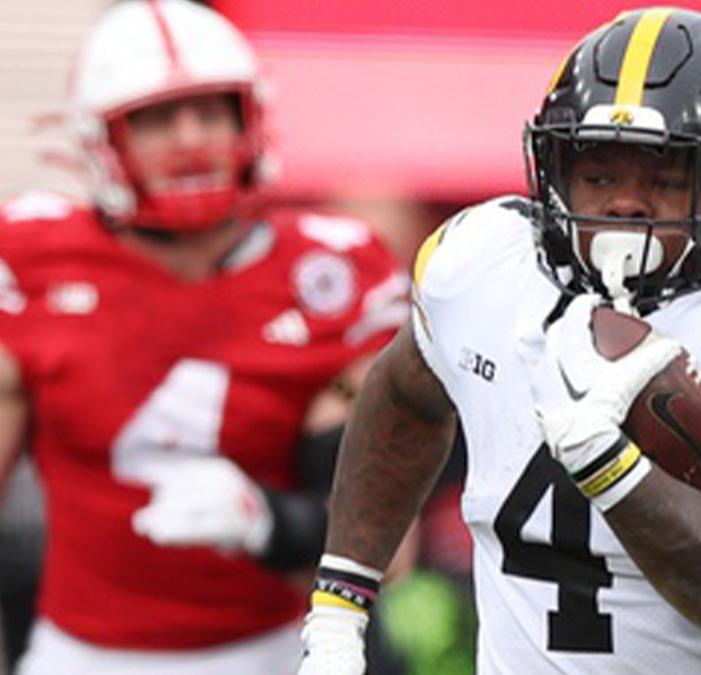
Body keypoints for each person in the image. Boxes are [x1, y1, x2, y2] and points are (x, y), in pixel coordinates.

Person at [297, 7, 701, 674]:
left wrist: (610, 466)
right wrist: (340, 608)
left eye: (664, 176)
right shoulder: (484, 264)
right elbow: (403, 393)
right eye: (600, 174)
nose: (624, 205)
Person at [0, 1, 408, 673]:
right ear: (101, 138)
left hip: (278, 646)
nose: (191, 138)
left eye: (210, 110)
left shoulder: (331, 273)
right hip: (82, 652)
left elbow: (392, 550)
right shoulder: (33, 258)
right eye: (157, 118)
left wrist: (267, 521)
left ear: (249, 117)